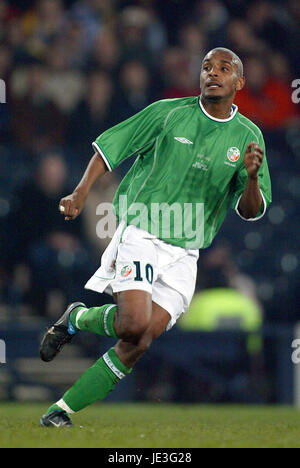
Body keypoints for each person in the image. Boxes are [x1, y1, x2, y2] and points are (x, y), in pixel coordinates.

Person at [39, 47, 272, 427]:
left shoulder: (249, 136)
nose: (212, 73)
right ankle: (77, 319)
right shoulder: (168, 113)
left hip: (187, 252)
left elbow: (250, 210)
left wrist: (248, 178)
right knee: (132, 323)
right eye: (206, 67)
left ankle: (60, 411)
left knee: (139, 341)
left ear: (239, 82)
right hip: (144, 231)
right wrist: (80, 193)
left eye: (223, 69)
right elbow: (110, 147)